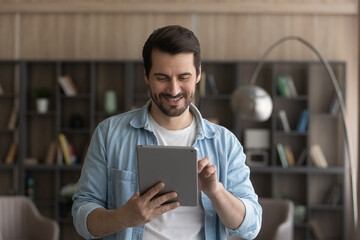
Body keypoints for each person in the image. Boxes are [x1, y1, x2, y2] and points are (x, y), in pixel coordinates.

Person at [72, 25, 262, 240]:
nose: (173, 90)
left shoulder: (225, 142)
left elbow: (251, 227)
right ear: (146, 75)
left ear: (199, 75)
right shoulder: (109, 134)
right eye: (162, 77)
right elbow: (82, 216)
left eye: (184, 77)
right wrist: (124, 217)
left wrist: (215, 191)